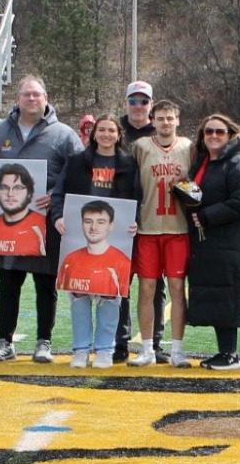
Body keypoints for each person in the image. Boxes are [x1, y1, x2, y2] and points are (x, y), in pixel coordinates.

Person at [0, 76, 82, 362]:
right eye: (26, 94)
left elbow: (79, 172)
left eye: (36, 95)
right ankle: (4, 340)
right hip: (10, 222)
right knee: (9, 280)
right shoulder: (0, 130)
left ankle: (44, 341)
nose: (31, 99)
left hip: (45, 220)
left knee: (45, 281)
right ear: (17, 98)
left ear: (46, 97)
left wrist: (54, 194)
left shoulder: (63, 134)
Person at [183, 114, 240, 370]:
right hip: (213, 243)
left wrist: (206, 216)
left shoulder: (238, 162)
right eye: (208, 132)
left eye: (219, 131)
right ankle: (225, 352)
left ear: (230, 134)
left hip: (232, 243)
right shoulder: (205, 162)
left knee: (229, 297)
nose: (213, 136)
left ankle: (230, 353)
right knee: (219, 297)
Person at [58, 113, 140, 353]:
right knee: (80, 292)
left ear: (119, 135)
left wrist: (135, 221)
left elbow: (137, 198)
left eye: (111, 131)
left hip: (115, 237)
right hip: (81, 235)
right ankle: (81, 348)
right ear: (93, 134)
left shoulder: (128, 164)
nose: (106, 135)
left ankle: (113, 345)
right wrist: (57, 216)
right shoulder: (76, 161)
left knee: (113, 292)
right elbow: (59, 193)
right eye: (101, 130)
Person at [130, 98, 195, 367]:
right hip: (148, 229)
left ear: (177, 121)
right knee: (146, 288)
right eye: (161, 118)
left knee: (177, 289)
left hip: (178, 230)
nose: (166, 123)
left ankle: (177, 349)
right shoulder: (141, 147)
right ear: (153, 121)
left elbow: (196, 185)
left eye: (170, 118)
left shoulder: (189, 147)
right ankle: (147, 348)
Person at [58, 199, 133, 368]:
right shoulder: (70, 259)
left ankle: (104, 350)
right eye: (88, 221)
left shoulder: (121, 261)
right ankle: (81, 349)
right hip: (77, 265)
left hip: (114, 267)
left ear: (111, 225)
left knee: (110, 297)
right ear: (82, 224)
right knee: (78, 297)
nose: (94, 227)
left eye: (101, 222)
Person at [120, 79, 164, 354]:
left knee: (154, 284)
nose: (138, 106)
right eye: (133, 101)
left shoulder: (161, 132)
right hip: (117, 219)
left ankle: (155, 342)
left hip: (151, 219)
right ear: (126, 103)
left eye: (143, 101)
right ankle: (119, 341)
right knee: (118, 283)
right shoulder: (113, 130)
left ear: (151, 105)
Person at [0, 164, 48, 257]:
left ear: (29, 193)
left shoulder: (42, 227)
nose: (10, 194)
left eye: (17, 188)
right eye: (4, 188)